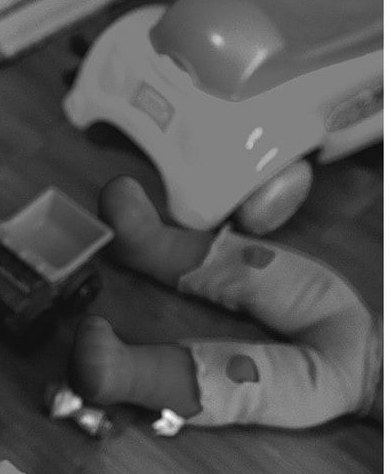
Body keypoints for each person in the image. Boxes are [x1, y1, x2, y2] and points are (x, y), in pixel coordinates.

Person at [70, 175, 382, 431]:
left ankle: (132, 374)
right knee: (260, 269)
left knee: (252, 380)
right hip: (355, 319)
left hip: (351, 386)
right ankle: (150, 243)